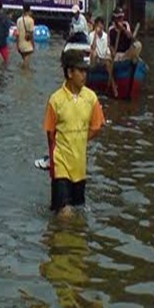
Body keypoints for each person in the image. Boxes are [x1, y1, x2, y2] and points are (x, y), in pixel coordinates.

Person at [43, 49, 105, 218]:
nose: (84, 75)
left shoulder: (91, 98)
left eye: (86, 71)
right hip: (60, 163)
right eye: (81, 71)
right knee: (65, 214)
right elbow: (50, 133)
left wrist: (80, 138)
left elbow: (97, 126)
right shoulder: (56, 100)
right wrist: (53, 161)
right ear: (70, 72)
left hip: (79, 166)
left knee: (78, 212)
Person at [16, 2, 35, 69]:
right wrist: (33, 45)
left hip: (21, 45)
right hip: (28, 45)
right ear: (29, 10)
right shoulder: (31, 20)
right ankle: (25, 76)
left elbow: (17, 34)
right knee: (26, 65)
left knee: (24, 61)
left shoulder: (19, 20)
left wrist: (17, 45)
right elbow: (31, 35)